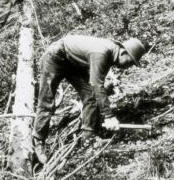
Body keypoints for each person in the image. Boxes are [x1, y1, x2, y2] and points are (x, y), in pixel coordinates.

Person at [32, 35, 145, 164]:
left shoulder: (110, 55)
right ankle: (38, 140)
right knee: (46, 100)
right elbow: (98, 85)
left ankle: (88, 136)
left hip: (72, 63)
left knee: (90, 95)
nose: (128, 66)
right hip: (55, 57)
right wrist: (109, 116)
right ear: (123, 52)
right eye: (130, 62)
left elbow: (95, 87)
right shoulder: (102, 53)